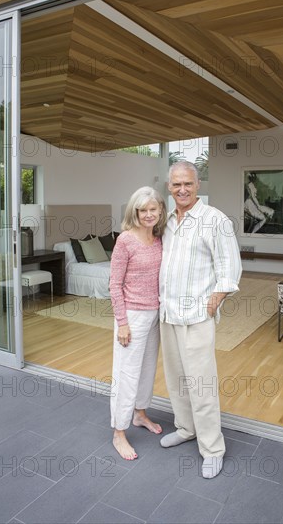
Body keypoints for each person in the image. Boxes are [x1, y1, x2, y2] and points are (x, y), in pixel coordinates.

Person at [159, 161, 242, 479]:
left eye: (188, 184)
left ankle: (213, 449)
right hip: (167, 314)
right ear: (169, 186)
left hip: (196, 315)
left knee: (201, 384)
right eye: (176, 184)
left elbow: (230, 266)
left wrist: (215, 300)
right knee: (176, 379)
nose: (182, 189)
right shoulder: (166, 220)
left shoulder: (214, 220)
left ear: (198, 185)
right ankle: (185, 428)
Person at [109, 186, 167, 460]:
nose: (148, 214)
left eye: (152, 209)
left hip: (155, 314)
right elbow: (114, 284)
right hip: (131, 316)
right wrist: (122, 322)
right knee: (126, 375)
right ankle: (118, 432)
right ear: (134, 211)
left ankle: (140, 414)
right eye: (142, 210)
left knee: (146, 370)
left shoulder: (159, 238)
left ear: (160, 210)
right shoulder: (125, 240)